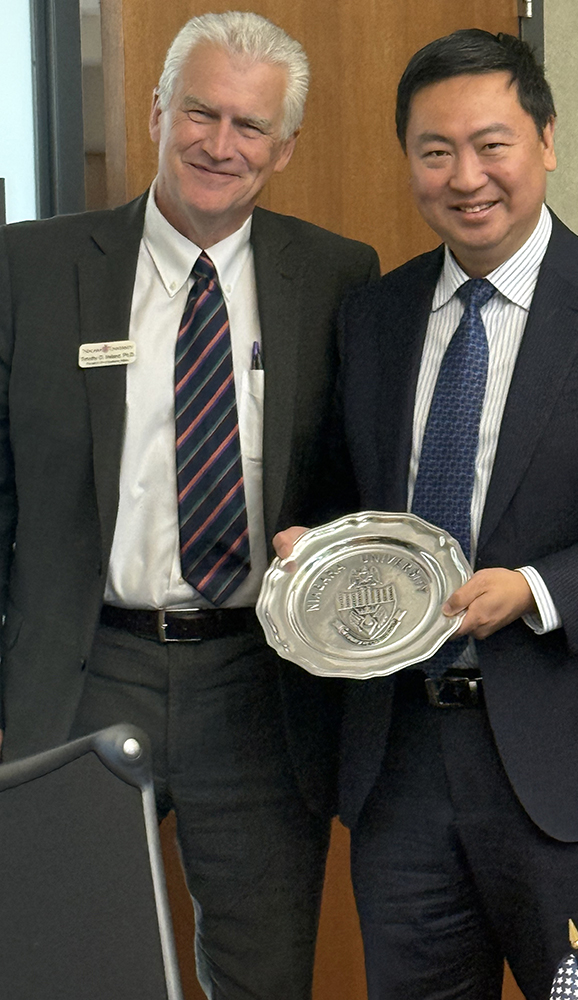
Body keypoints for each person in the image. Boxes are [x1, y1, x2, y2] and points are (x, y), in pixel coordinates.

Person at [278, 28, 578, 1000]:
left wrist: (533, 589)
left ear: (546, 141)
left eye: (493, 144)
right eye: (435, 150)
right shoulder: (374, 316)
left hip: (573, 772)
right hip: (398, 764)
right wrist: (315, 546)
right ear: (409, 161)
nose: (466, 176)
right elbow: (343, 495)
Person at [0, 11, 377, 1000]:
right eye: (201, 112)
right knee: (69, 966)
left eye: (250, 126)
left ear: (285, 148)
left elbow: (356, 472)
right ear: (159, 112)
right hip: (85, 668)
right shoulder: (31, 269)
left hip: (255, 678)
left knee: (260, 974)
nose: (221, 143)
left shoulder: (337, 277)